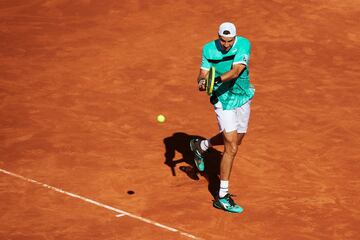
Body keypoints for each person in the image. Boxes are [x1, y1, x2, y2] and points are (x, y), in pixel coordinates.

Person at [190, 22, 255, 213]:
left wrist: (214, 79)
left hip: (242, 96)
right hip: (222, 99)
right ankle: (222, 196)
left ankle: (200, 146)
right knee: (231, 146)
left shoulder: (244, 44)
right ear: (218, 36)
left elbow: (236, 71)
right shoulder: (208, 49)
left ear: (235, 38)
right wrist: (203, 82)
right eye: (223, 40)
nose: (226, 45)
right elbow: (202, 75)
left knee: (238, 139)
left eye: (229, 41)